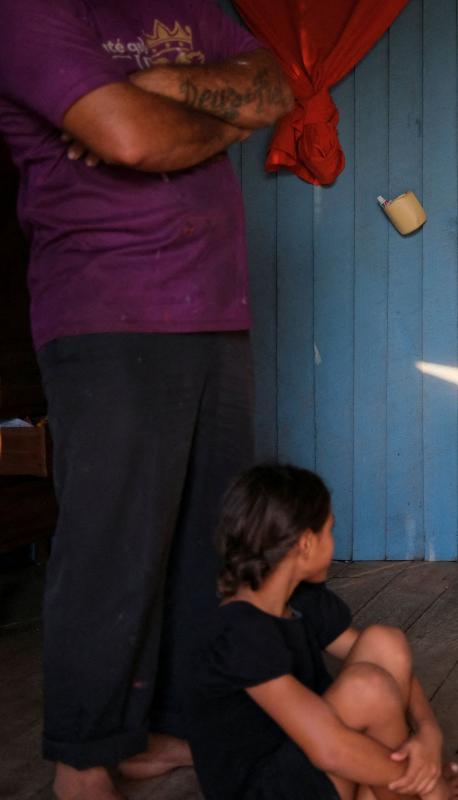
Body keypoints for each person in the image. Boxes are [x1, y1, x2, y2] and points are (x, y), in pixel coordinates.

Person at [0, 2, 296, 797]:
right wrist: (216, 115)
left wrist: (162, 83)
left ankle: (164, 732)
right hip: (104, 310)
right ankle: (84, 760)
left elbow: (274, 91)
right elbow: (132, 138)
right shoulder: (33, 12)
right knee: (112, 546)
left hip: (215, 308)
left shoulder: (188, 9)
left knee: (210, 542)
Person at [188, 464, 458, 800]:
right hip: (263, 789)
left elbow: (391, 661)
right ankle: (406, 791)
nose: (333, 541)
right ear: (305, 543)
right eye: (330, 531)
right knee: (367, 688)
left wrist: (428, 734)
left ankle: (393, 790)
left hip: (307, 762)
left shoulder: (303, 600)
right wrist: (427, 783)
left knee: (384, 642)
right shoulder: (240, 632)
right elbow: (329, 751)